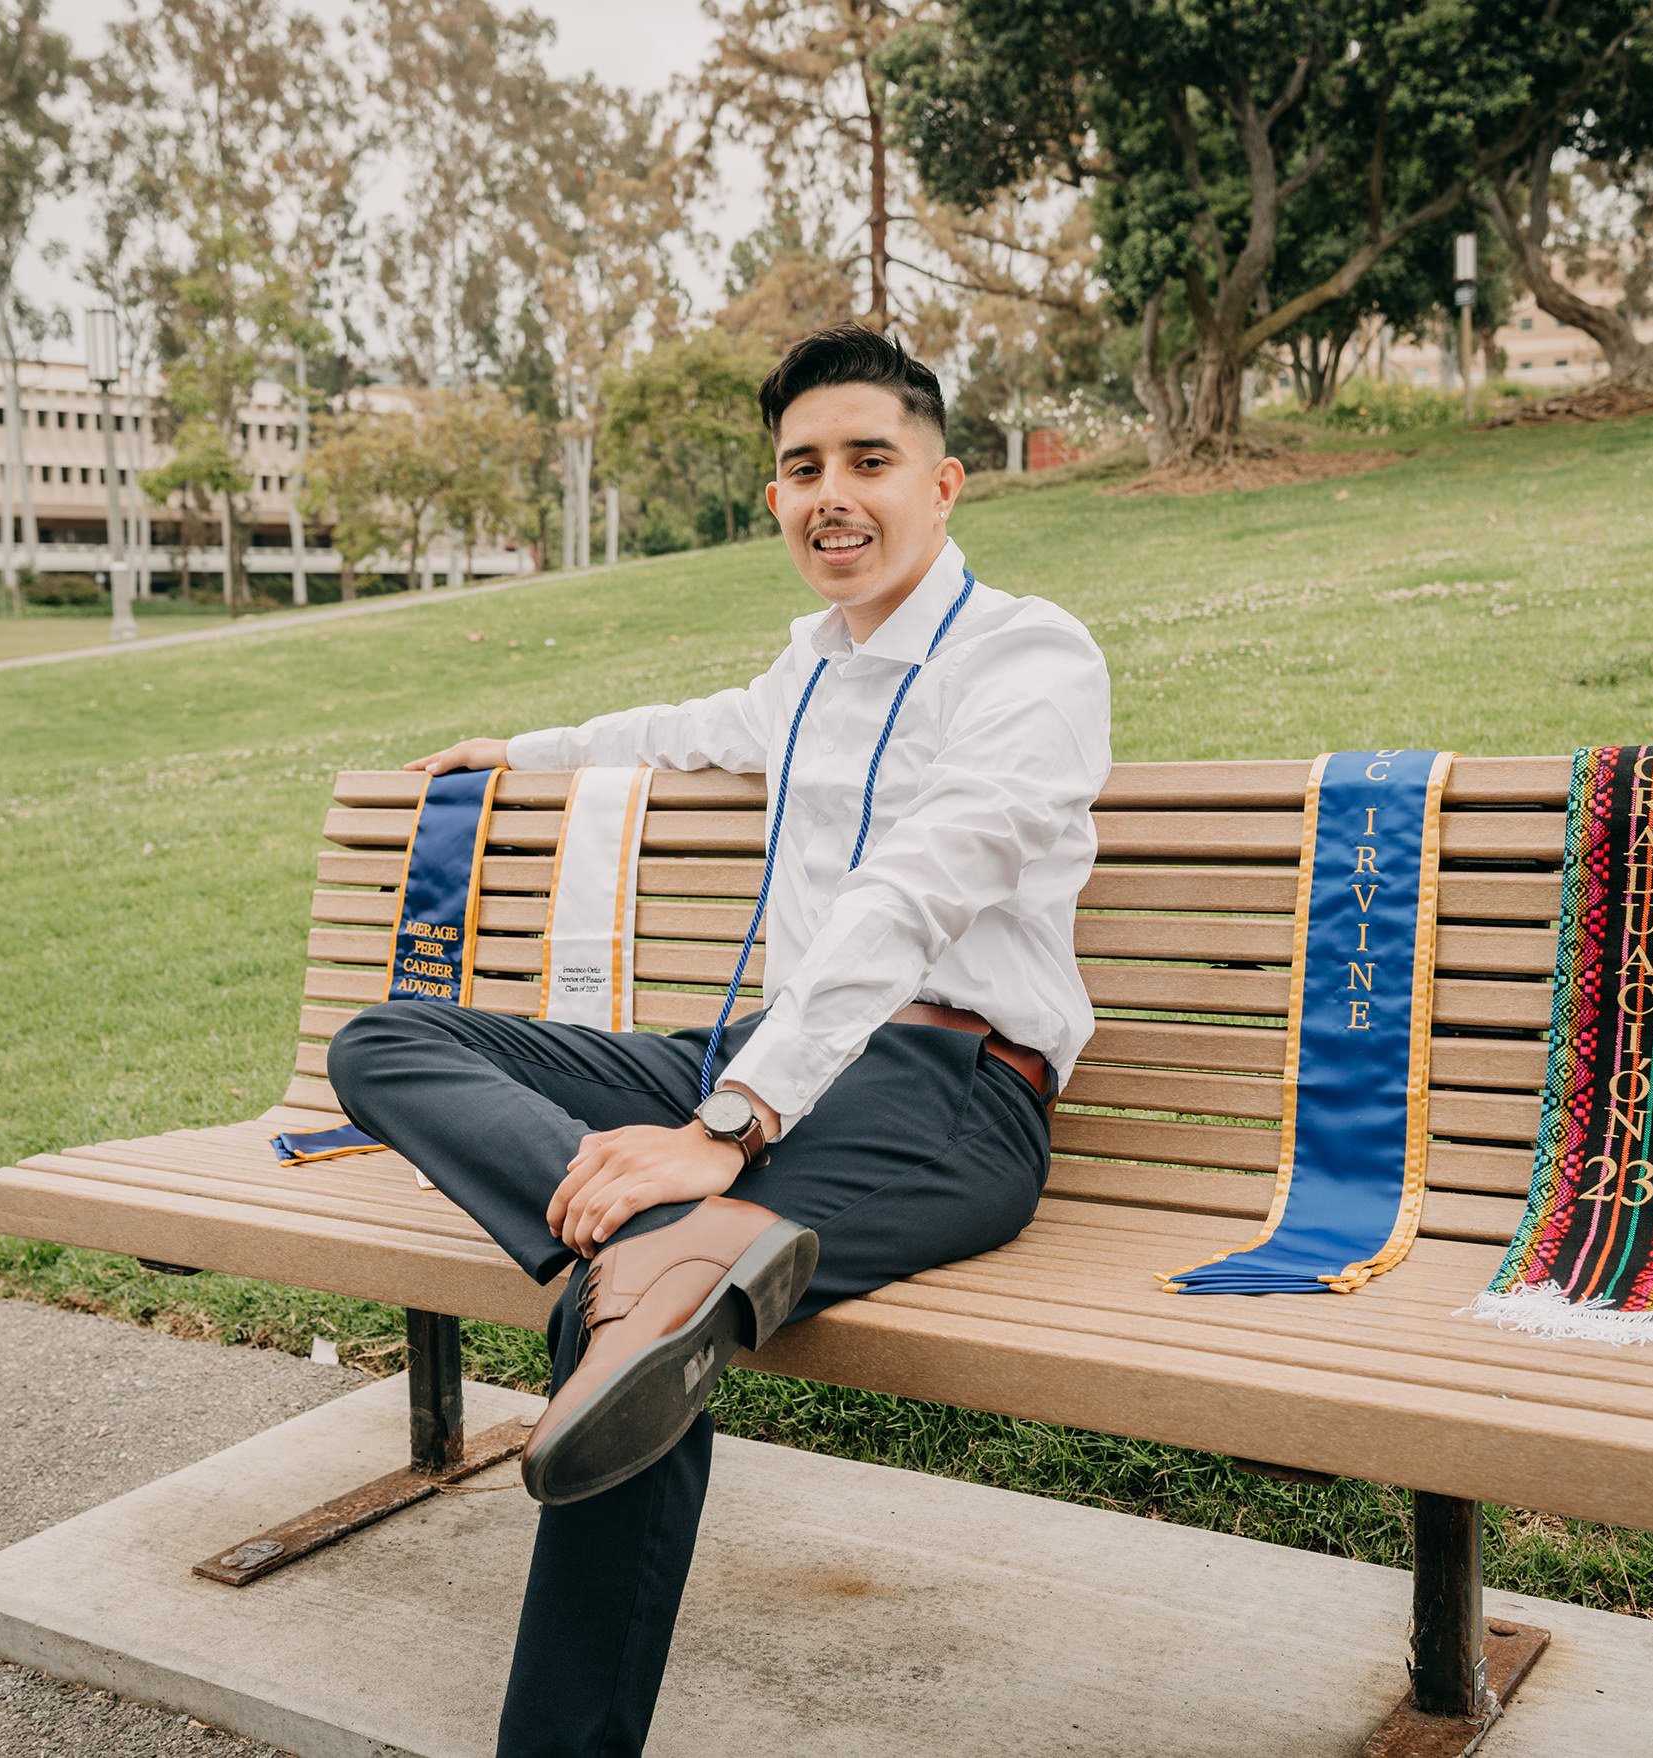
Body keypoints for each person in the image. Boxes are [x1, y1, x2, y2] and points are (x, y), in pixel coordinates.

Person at [325, 324, 1113, 1756]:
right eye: (803, 466)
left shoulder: (1030, 657)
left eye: (871, 460)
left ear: (945, 483)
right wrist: (526, 749)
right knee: (387, 1042)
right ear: (771, 500)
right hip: (760, 1062)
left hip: (946, 1086)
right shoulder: (805, 668)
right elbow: (682, 728)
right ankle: (659, 1246)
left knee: (612, 1307)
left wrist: (726, 1127)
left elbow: (921, 878)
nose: (835, 493)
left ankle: (649, 1264)